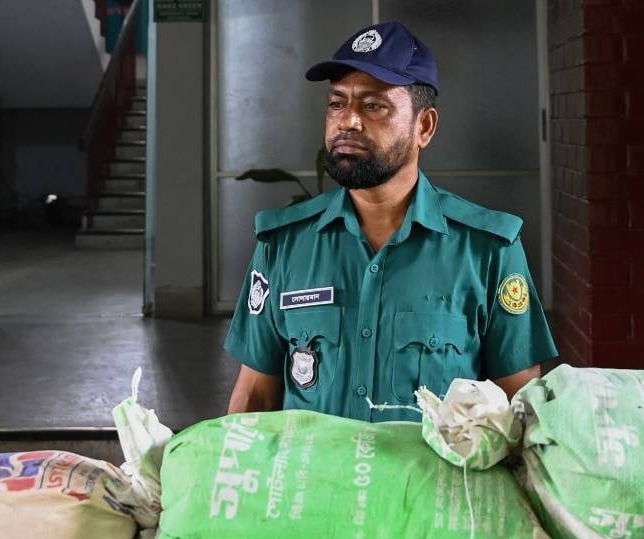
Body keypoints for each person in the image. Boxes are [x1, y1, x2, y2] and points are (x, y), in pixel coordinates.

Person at [224, 21, 556, 422]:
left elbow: (519, 410)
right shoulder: (284, 246)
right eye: (336, 103)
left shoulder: (486, 250)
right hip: (312, 484)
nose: (348, 121)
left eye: (373, 105)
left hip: (433, 485)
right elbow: (255, 401)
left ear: (424, 126)